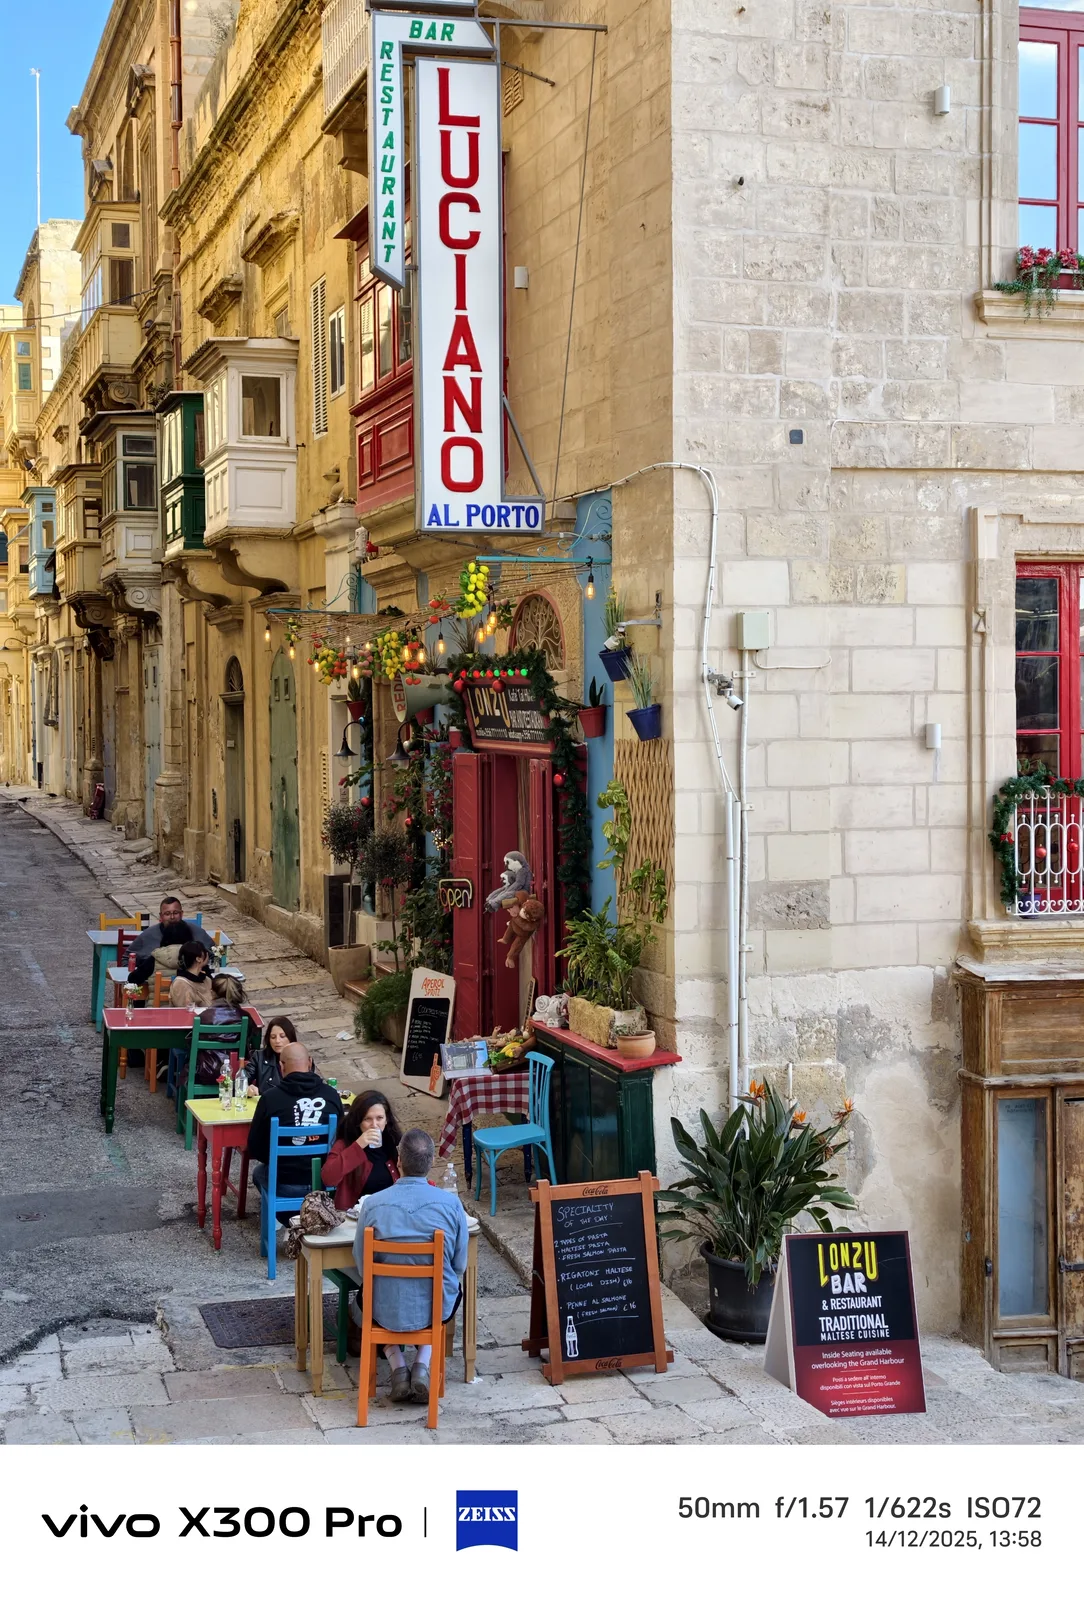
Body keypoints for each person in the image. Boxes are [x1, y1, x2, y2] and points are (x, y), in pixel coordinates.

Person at [351, 1127, 468, 1405]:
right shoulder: (452, 1205)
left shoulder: (373, 1204)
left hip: (384, 1306)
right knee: (445, 1293)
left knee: (364, 1299)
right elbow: (459, 1265)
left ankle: (398, 1366)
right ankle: (422, 1366)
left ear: (398, 1161)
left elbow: (361, 1263)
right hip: (434, 1306)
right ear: (431, 1163)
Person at [247, 1042, 345, 1212]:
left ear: (281, 1066)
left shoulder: (270, 1099)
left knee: (259, 1173)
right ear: (310, 1062)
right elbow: (342, 1140)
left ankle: (285, 1216)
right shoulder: (331, 1095)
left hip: (285, 1182)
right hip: (323, 1181)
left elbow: (255, 1148)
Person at [322, 1091, 402, 1209]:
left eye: (379, 1118)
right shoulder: (345, 1144)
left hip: (390, 1211)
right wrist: (358, 1146)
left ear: (386, 1120)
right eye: (367, 1119)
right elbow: (328, 1178)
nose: (374, 1125)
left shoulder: (394, 1141)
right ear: (358, 1122)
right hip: (355, 1214)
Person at [130, 897, 213, 985]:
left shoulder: (154, 959)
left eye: (175, 913)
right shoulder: (195, 958)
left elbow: (132, 979)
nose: (172, 917)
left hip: (158, 992)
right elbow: (210, 981)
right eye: (167, 914)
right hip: (189, 993)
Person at [251, 1015, 298, 1097]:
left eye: (282, 1036)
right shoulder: (259, 1057)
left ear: (290, 1037)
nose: (277, 1041)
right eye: (273, 1037)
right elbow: (241, 1080)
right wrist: (247, 1088)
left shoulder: (301, 1058)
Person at [169, 941, 214, 1010]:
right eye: (205, 952)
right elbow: (183, 1012)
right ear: (198, 959)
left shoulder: (207, 980)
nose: (207, 954)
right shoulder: (181, 984)